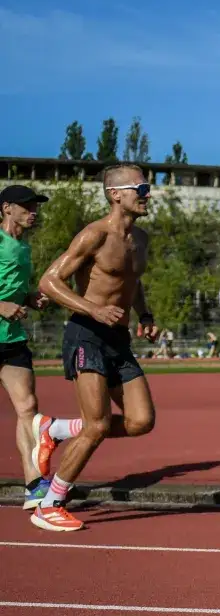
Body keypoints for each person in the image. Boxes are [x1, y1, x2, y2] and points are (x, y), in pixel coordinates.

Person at [34, 164, 160, 532]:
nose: (147, 194)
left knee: (141, 421)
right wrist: (94, 308)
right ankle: (51, 503)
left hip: (118, 339)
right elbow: (48, 281)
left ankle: (56, 430)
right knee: (97, 426)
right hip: (86, 333)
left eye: (147, 186)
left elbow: (132, 282)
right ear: (115, 194)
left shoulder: (142, 239)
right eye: (141, 187)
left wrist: (145, 313)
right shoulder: (95, 235)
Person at [0, 185, 84, 511]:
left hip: (11, 341)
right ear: (7, 208)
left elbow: (12, 291)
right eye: (26, 206)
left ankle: (34, 483)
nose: (33, 211)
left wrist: (29, 299)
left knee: (28, 409)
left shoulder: (22, 248)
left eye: (35, 206)